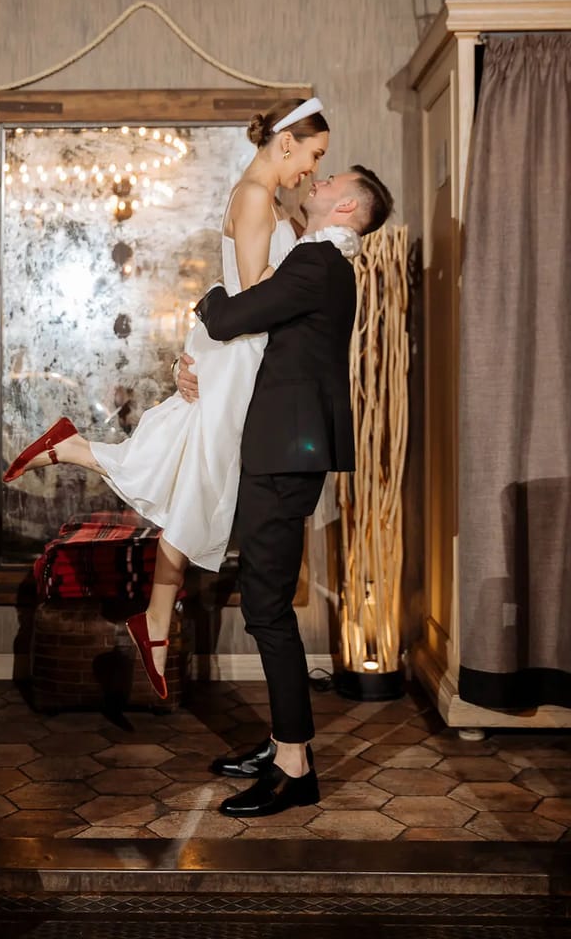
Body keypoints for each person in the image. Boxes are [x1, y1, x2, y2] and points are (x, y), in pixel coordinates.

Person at [3, 97, 332, 697]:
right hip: (242, 359)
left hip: (239, 356)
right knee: (198, 480)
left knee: (192, 476)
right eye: (313, 155)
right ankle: (151, 613)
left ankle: (151, 612)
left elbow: (238, 291)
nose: (312, 168)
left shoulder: (262, 195)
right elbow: (254, 297)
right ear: (287, 142)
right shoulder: (257, 195)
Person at [185, 163, 394, 818]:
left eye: (333, 179)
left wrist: (208, 295)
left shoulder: (318, 265)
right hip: (285, 446)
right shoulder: (320, 263)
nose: (321, 179)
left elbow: (230, 319)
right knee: (266, 603)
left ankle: (295, 764)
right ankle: (281, 742)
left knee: (268, 609)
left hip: (285, 451)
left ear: (349, 204)